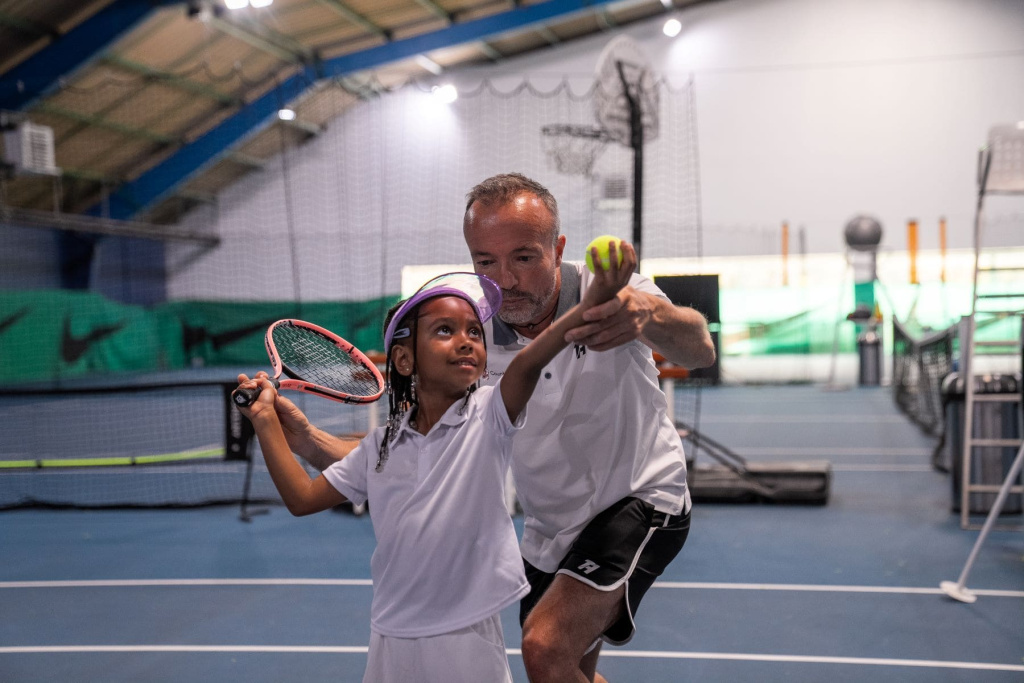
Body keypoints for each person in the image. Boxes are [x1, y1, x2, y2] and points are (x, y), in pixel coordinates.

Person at [234, 253, 637, 682]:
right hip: (389, 635)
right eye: (444, 330)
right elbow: (301, 497)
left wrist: (590, 301)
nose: (466, 341)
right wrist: (265, 422)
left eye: (474, 333)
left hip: (465, 639)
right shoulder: (380, 446)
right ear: (404, 361)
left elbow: (529, 362)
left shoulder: (490, 414)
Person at [462, 173, 716, 683]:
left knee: (543, 648)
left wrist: (649, 316)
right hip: (549, 524)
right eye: (485, 261)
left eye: (523, 257)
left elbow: (699, 351)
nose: (505, 279)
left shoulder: (611, 292)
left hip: (641, 497)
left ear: (557, 249)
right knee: (563, 672)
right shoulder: (473, 329)